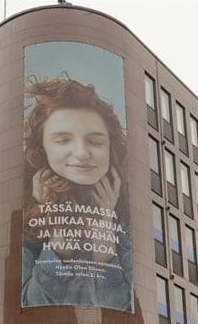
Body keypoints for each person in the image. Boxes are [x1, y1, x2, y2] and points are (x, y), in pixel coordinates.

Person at [21, 76, 132, 311]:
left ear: (111, 147)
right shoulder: (20, 218)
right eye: (62, 140)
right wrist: (55, 246)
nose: (81, 153)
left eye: (95, 141)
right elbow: (28, 309)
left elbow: (129, 321)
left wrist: (106, 256)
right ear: (42, 147)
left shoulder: (130, 220)